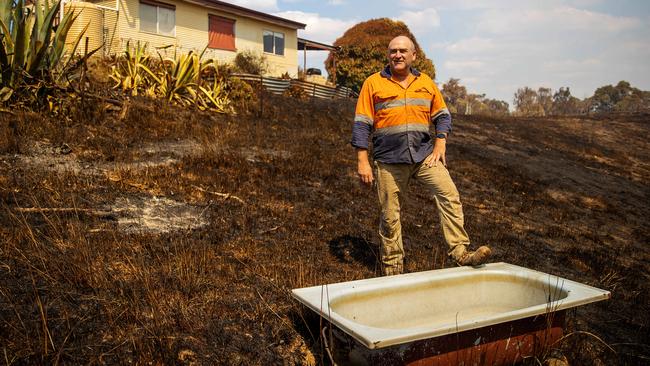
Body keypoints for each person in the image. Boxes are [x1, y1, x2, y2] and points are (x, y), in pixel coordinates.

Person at [351, 35, 491, 276]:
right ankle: (393, 269)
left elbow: (443, 116)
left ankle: (460, 253)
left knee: (449, 195)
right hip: (389, 160)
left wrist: (440, 143)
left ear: (413, 55)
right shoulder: (373, 83)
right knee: (390, 215)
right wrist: (362, 160)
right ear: (388, 55)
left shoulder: (425, 82)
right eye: (393, 50)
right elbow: (362, 124)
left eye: (403, 50)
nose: (398, 55)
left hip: (424, 157)